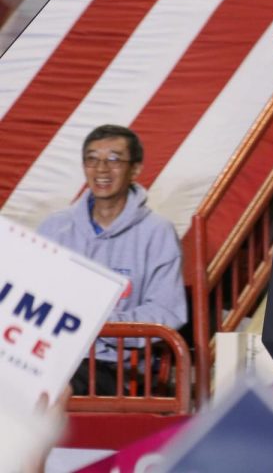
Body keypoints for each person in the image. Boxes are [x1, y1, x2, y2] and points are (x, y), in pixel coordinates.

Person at [37, 124, 187, 395]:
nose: (102, 169)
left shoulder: (157, 232)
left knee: (50, 387)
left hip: (119, 367)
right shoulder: (55, 227)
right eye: (92, 159)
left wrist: (99, 324)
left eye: (114, 159)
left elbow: (167, 311)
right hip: (49, 356)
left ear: (136, 169)